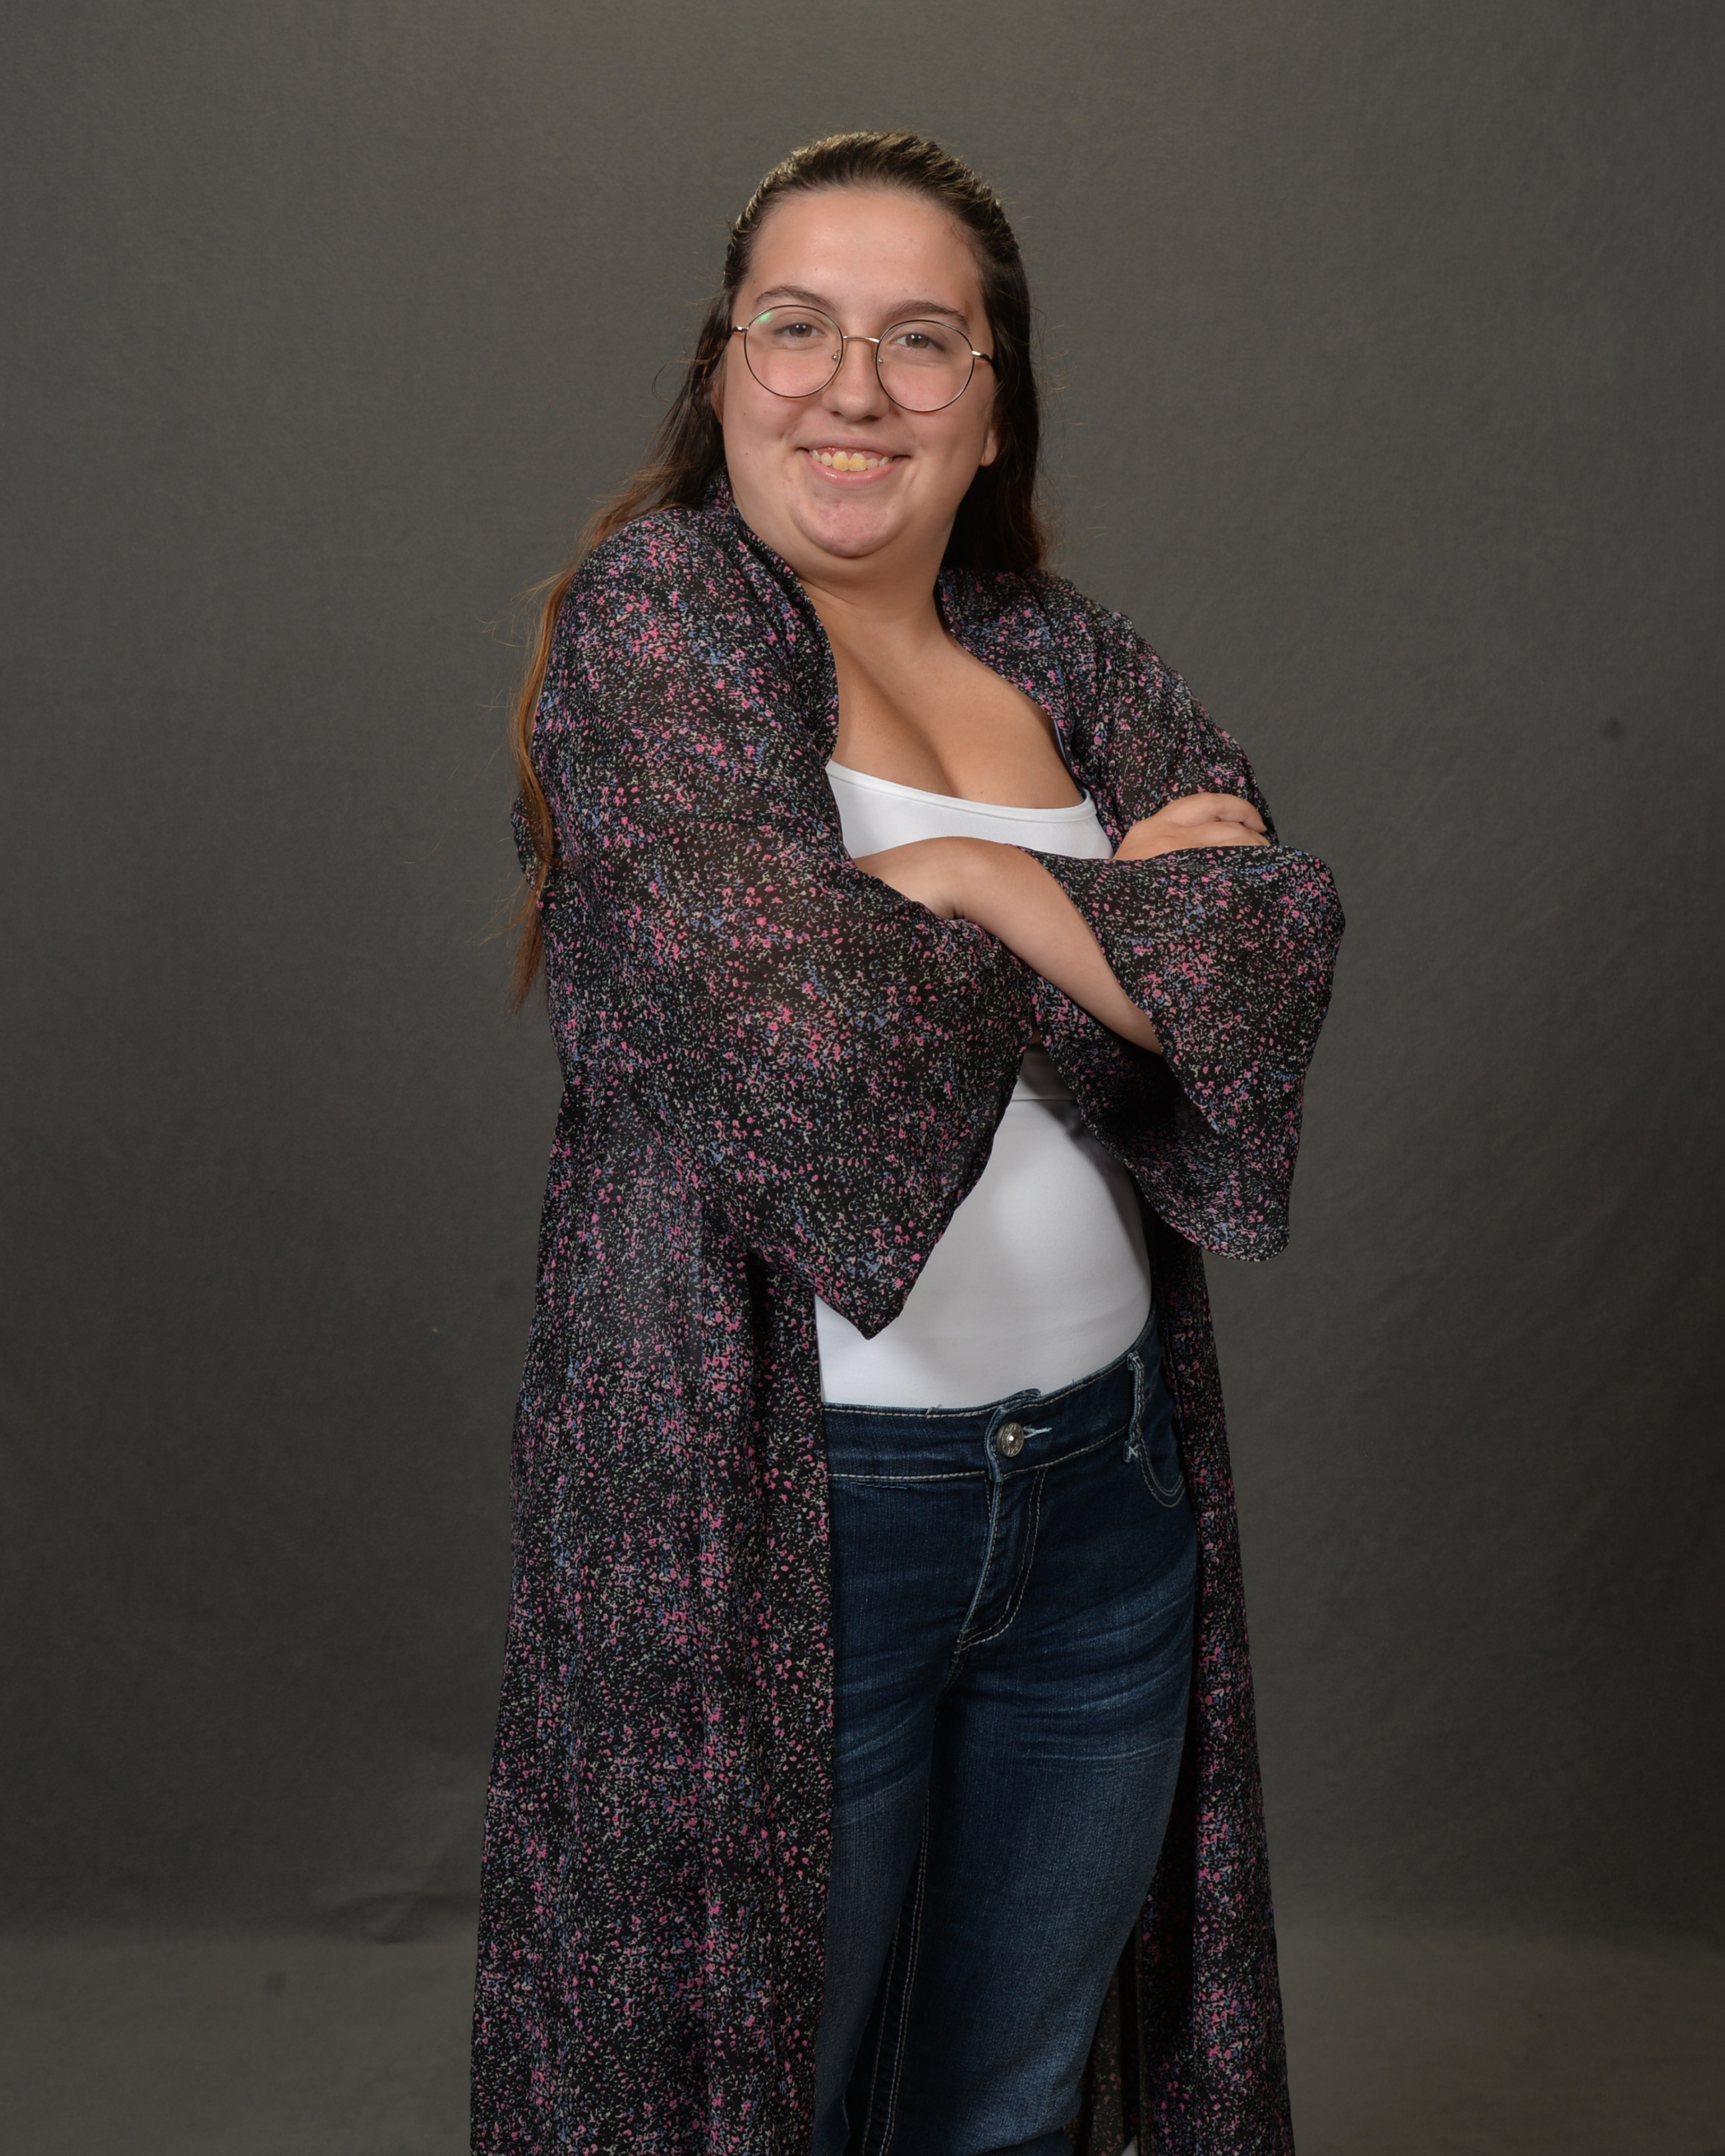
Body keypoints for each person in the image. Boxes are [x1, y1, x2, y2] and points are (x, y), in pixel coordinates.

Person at [472, 130, 1342, 2156]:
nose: (851, 386)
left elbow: (1264, 956)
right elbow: (797, 1032)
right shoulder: (660, 623)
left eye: (919, 339)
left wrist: (962, 882)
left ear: (988, 406)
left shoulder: (1062, 654)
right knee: (761, 2091)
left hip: (1105, 1492)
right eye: (798, 327)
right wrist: (1090, 913)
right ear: (724, 372)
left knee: (1012, 2102)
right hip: (799, 1509)